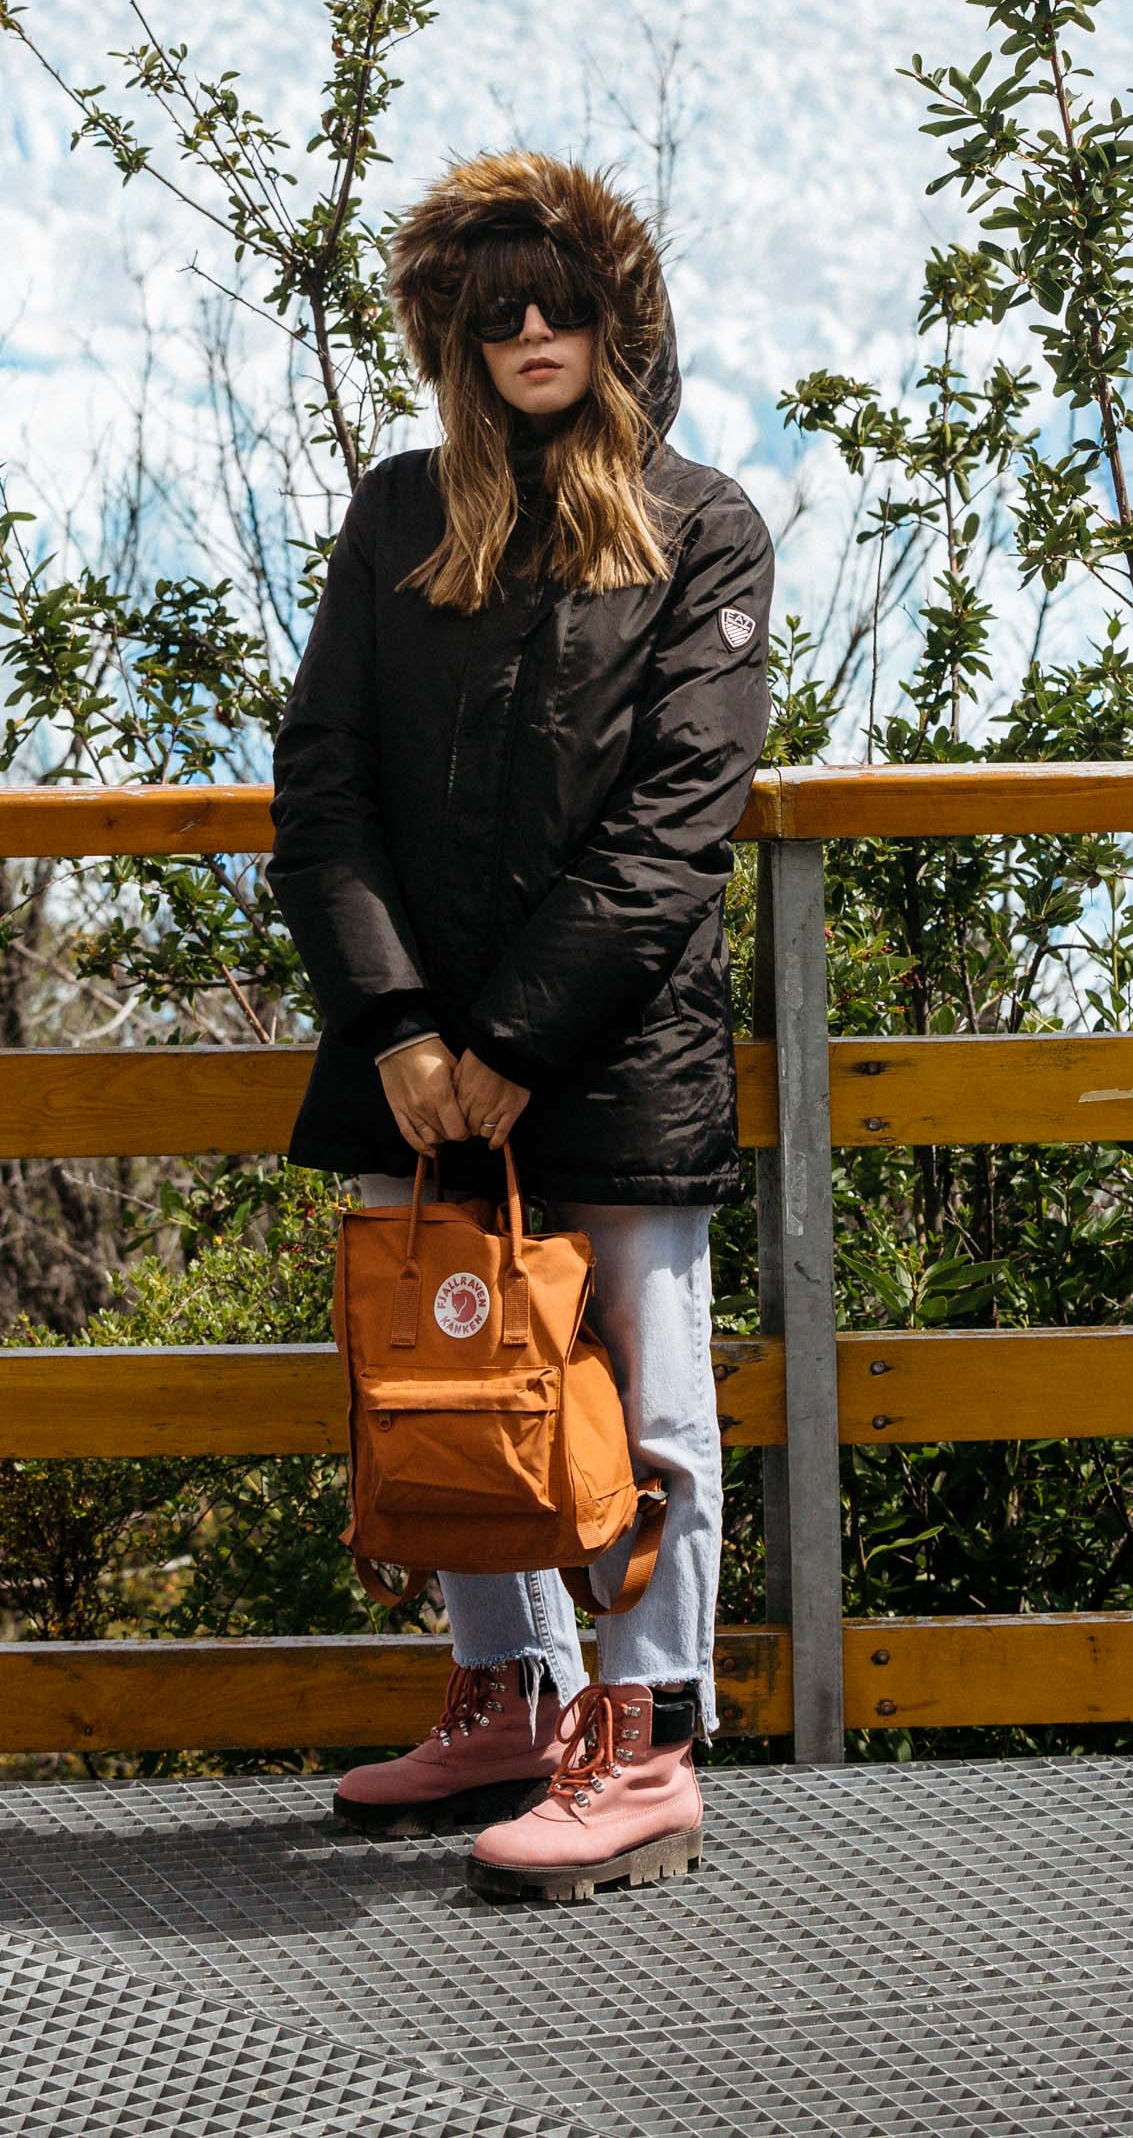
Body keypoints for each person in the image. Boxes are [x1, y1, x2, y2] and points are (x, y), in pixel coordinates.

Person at [270, 148, 773, 1903]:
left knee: (644, 1401)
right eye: (496, 310)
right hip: (419, 1066)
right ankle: (509, 1698)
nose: (534, 328)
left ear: (620, 320)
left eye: (562, 301)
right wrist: (404, 1026)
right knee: (445, 1384)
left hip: (616, 1054)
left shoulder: (703, 526)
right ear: (452, 335)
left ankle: (644, 1747)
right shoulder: (400, 514)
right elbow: (322, 785)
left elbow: (676, 825)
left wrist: (514, 1045)